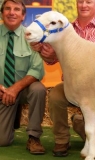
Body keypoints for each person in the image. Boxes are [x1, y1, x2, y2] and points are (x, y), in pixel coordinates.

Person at [30, 0, 95, 157]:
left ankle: (78, 120)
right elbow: (51, 60)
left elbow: (88, 58)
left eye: (88, 2)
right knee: (55, 95)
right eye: (80, 1)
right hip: (71, 86)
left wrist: (57, 53)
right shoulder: (62, 27)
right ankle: (62, 140)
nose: (83, 5)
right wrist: (42, 51)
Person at [0, 0, 46, 155]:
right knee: (2, 141)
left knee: (38, 89)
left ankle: (34, 137)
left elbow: (37, 69)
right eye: (7, 9)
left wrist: (15, 88)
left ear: (23, 15)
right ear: (2, 13)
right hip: (2, 92)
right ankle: (12, 118)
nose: (11, 12)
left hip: (23, 90)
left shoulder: (32, 37)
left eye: (16, 9)